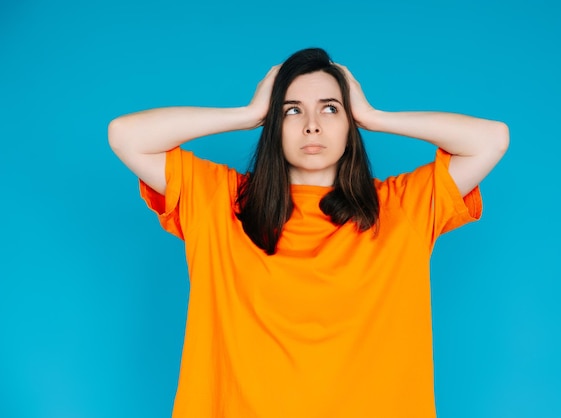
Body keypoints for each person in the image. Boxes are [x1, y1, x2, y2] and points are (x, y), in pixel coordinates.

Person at [108, 48, 508, 417]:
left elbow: (491, 139)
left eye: (331, 109)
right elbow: (126, 136)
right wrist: (246, 114)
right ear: (273, 124)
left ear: (350, 123)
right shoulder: (218, 201)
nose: (312, 126)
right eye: (292, 111)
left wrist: (373, 116)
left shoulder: (403, 207)